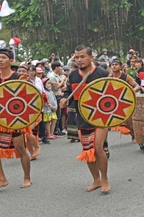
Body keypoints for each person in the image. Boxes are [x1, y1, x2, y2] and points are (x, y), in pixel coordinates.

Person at [60, 45, 111, 193]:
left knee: (97, 147)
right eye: (77, 57)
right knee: (87, 149)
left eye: (82, 56)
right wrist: (64, 99)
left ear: (91, 57)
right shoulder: (73, 75)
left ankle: (105, 179)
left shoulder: (102, 73)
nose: (79, 60)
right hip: (81, 117)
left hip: (100, 118)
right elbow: (68, 92)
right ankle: (96, 180)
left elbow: (113, 95)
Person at [0, 48, 32, 193]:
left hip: (16, 118)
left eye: (4, 57)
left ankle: (27, 177)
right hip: (0, 118)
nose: (0, 60)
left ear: (11, 60)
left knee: (20, 149)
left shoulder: (18, 77)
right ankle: (2, 179)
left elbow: (28, 97)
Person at [47, 62, 67, 135]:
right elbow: (56, 88)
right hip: (55, 96)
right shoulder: (52, 76)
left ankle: (58, 129)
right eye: (60, 67)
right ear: (56, 67)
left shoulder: (57, 75)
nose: (61, 68)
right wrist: (63, 81)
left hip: (59, 94)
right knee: (57, 113)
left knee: (59, 113)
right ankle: (56, 130)